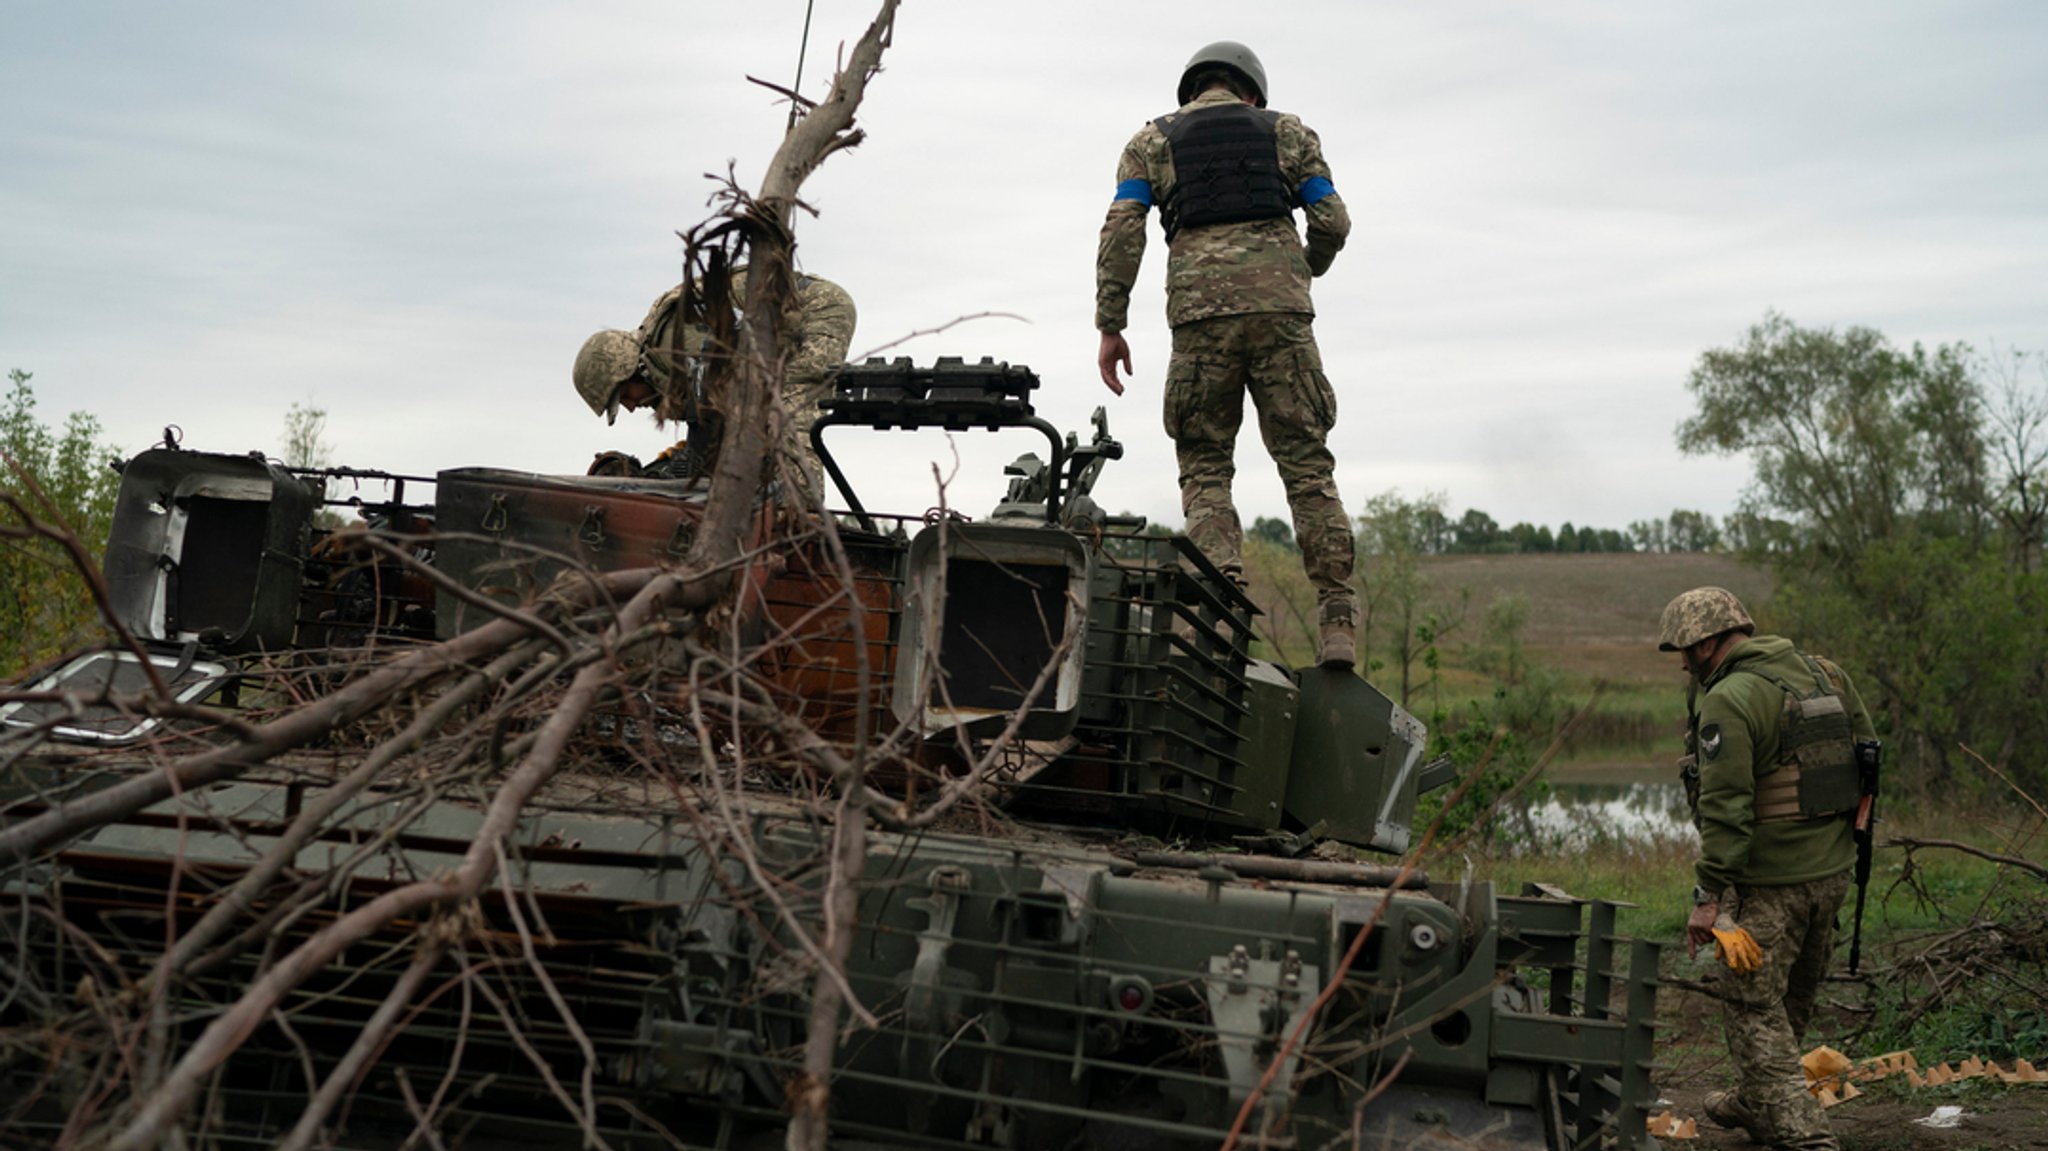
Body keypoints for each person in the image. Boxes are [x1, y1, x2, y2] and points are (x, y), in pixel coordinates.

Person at [1094, 41, 1358, 668]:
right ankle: (1338, 622)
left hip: (1198, 319)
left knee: (1206, 466)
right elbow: (1333, 219)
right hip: (1281, 317)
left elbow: (1123, 229)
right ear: (1252, 94)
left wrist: (1111, 323)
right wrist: (1302, 272)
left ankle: (1221, 607)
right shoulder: (1287, 132)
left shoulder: (1150, 143)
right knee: (1307, 467)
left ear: (1191, 90)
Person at [1659, 586, 1876, 1151]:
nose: (1682, 663)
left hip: (1771, 885)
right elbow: (1868, 756)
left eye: (1685, 649)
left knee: (1753, 1008)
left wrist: (1708, 899)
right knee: (1789, 1002)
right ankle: (1758, 1106)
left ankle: (1807, 1138)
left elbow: (1725, 808)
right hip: (1832, 874)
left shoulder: (1730, 698)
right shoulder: (1825, 675)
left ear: (1710, 641)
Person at [572, 268, 856, 503]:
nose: (632, 407)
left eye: (624, 397)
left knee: (788, 413)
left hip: (817, 310)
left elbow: (724, 403)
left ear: (629, 370)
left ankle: (800, 515)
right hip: (776, 339)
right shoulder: (661, 362)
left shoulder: (675, 344)